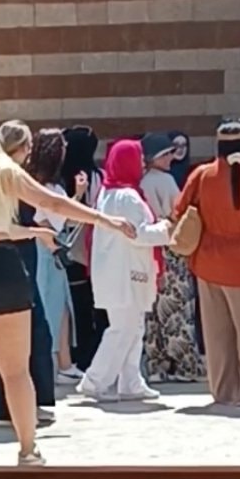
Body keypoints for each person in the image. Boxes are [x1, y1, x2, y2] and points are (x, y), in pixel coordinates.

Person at [0, 105, 133, 467]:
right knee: (15, 369)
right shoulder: (4, 172)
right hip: (2, 267)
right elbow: (50, 201)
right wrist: (103, 219)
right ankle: (27, 450)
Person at [173, 122, 240, 404]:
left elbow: (179, 209)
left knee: (216, 333)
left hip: (207, 262)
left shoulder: (201, 175)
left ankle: (223, 390)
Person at [0, 120, 61, 427]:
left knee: (3, 332)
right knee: (33, 330)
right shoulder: (13, 176)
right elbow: (43, 207)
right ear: (23, 147)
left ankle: (4, 405)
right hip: (17, 257)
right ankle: (29, 402)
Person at [80, 139, 170, 402]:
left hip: (116, 271)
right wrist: (166, 228)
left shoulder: (107, 193)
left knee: (133, 326)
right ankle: (95, 381)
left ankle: (131, 382)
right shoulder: (128, 197)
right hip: (126, 272)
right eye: (138, 158)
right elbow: (138, 234)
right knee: (123, 329)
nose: (142, 163)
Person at [139, 132, 203, 382]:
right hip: (171, 249)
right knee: (178, 310)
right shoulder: (165, 181)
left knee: (153, 312)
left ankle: (157, 366)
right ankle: (185, 366)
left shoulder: (141, 181)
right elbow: (179, 213)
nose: (170, 158)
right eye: (165, 154)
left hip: (149, 250)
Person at [25, 127, 82, 387]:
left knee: (60, 308)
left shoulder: (32, 184)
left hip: (44, 249)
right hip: (46, 250)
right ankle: (54, 364)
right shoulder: (46, 188)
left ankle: (63, 363)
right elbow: (56, 218)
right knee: (51, 308)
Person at [61, 125, 108, 371]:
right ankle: (95, 352)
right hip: (93, 249)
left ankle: (78, 353)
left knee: (76, 306)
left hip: (69, 250)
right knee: (96, 304)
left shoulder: (60, 179)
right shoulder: (98, 176)